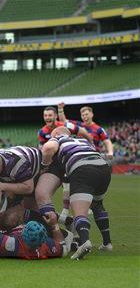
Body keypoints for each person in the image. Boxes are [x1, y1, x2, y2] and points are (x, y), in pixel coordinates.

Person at [38, 126, 111, 260]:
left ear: (57, 133)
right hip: (103, 167)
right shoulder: (82, 141)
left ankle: (84, 242)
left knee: (79, 211)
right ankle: (107, 243)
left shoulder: (58, 138)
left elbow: (48, 149)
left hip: (82, 167)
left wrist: (44, 166)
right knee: (97, 204)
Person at [57, 103, 114, 250]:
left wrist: (110, 151)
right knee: (97, 204)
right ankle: (107, 243)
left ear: (92, 114)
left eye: (86, 114)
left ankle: (82, 240)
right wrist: (61, 110)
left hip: (82, 163)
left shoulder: (97, 129)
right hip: (97, 163)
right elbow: (64, 122)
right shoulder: (78, 126)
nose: (84, 116)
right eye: (82, 114)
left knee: (78, 204)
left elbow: (107, 141)